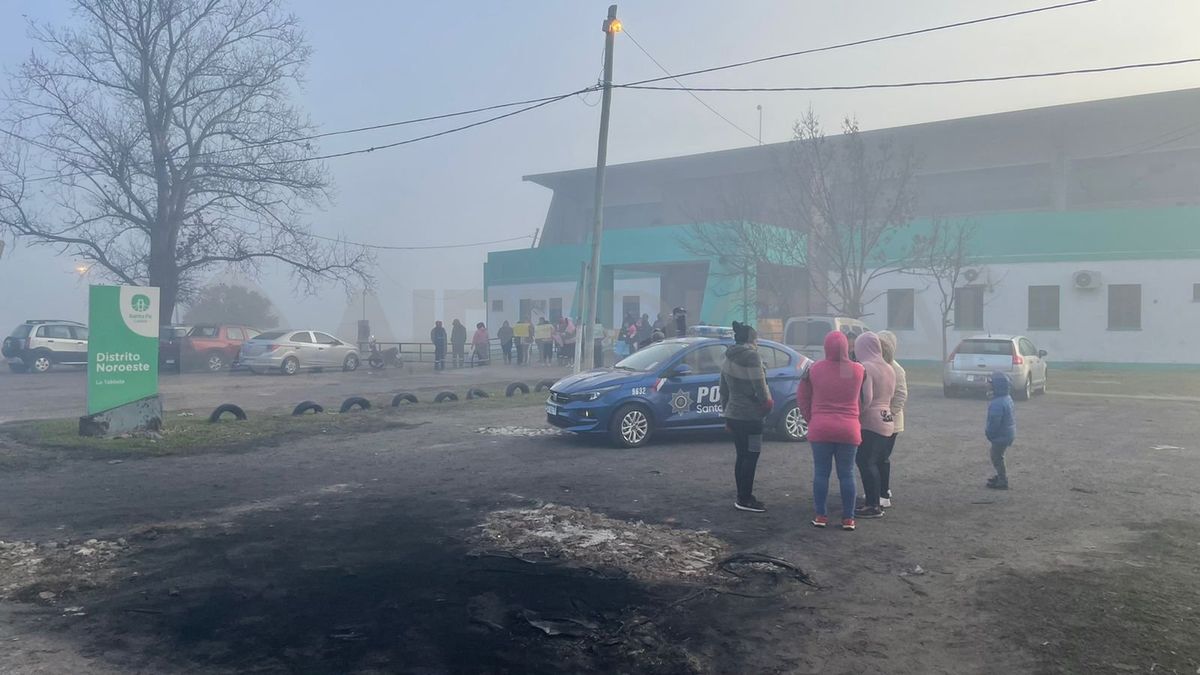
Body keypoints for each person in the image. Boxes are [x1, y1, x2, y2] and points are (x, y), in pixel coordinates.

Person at [798, 330, 865, 531]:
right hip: (849, 429)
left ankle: (821, 516)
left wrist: (812, 419)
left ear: (825, 347)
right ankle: (848, 518)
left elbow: (802, 397)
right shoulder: (858, 370)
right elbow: (863, 399)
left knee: (821, 473)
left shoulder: (814, 369)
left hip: (821, 428)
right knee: (847, 474)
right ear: (847, 347)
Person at [719, 321, 773, 513]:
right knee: (752, 455)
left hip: (733, 413)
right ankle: (746, 498)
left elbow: (722, 389)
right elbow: (759, 384)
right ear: (752, 339)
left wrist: (726, 413)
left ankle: (741, 495)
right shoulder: (752, 357)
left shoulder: (727, 357)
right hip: (751, 415)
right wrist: (766, 404)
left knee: (741, 455)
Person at [853, 332, 896, 519]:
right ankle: (877, 500)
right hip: (887, 419)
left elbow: (867, 397)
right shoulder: (889, 368)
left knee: (865, 461)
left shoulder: (866, 367)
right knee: (876, 462)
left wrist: (857, 413)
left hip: (871, 421)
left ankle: (872, 505)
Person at [877, 331, 908, 509]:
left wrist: (890, 414)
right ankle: (879, 489)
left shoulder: (896, 369)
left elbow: (901, 395)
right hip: (881, 419)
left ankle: (884, 492)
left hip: (891, 423)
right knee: (876, 457)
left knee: (882, 457)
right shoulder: (880, 366)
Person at [986, 371, 1017, 490]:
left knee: (996, 457)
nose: (988, 385)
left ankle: (1002, 480)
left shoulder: (997, 403)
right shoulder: (1006, 398)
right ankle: (1000, 476)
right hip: (1007, 433)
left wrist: (989, 433)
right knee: (999, 456)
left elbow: (994, 422)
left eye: (990, 383)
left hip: (1000, 436)